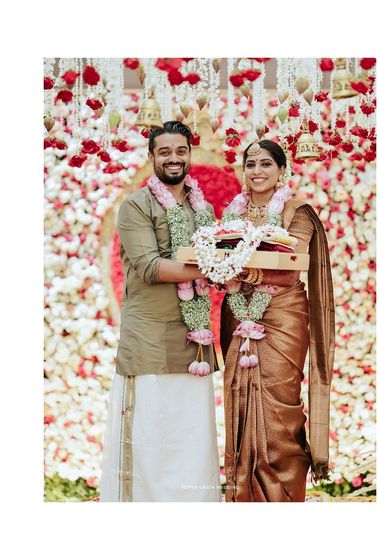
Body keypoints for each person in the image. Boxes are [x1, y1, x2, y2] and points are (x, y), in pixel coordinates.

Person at [100, 121, 221, 502]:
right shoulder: (136, 205)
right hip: (149, 338)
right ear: (152, 157)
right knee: (151, 434)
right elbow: (151, 267)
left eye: (180, 151)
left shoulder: (203, 209)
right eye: (164, 152)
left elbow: (216, 256)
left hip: (193, 341)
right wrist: (216, 267)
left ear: (189, 154)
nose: (173, 158)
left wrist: (226, 265)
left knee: (191, 432)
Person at [220, 139, 335, 502]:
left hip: (283, 315)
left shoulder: (296, 213)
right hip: (238, 312)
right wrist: (221, 271)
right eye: (250, 164)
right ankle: (242, 496)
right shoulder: (231, 216)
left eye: (266, 164)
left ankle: (284, 498)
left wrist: (242, 272)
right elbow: (214, 258)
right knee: (240, 399)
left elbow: (289, 269)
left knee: (280, 406)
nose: (257, 171)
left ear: (281, 170)